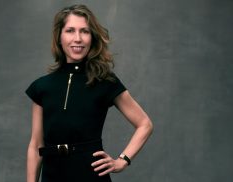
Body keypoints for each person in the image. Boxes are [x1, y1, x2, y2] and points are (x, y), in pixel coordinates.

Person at [25, 4, 153, 182]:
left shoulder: (105, 81)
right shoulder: (41, 87)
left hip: (91, 176)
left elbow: (144, 124)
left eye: (84, 31)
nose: (77, 38)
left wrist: (122, 160)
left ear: (91, 37)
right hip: (52, 176)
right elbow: (36, 145)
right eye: (70, 30)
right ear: (59, 37)